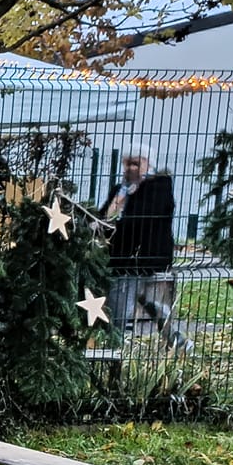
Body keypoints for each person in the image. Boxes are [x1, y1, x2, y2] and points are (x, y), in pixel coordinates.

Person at [102, 145, 180, 347]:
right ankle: (179, 342)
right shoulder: (120, 190)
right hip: (121, 257)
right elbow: (104, 218)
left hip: (145, 256)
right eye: (127, 163)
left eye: (136, 163)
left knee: (122, 299)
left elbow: (143, 219)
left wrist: (118, 218)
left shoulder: (158, 187)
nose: (130, 168)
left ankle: (116, 340)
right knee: (151, 303)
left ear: (149, 164)